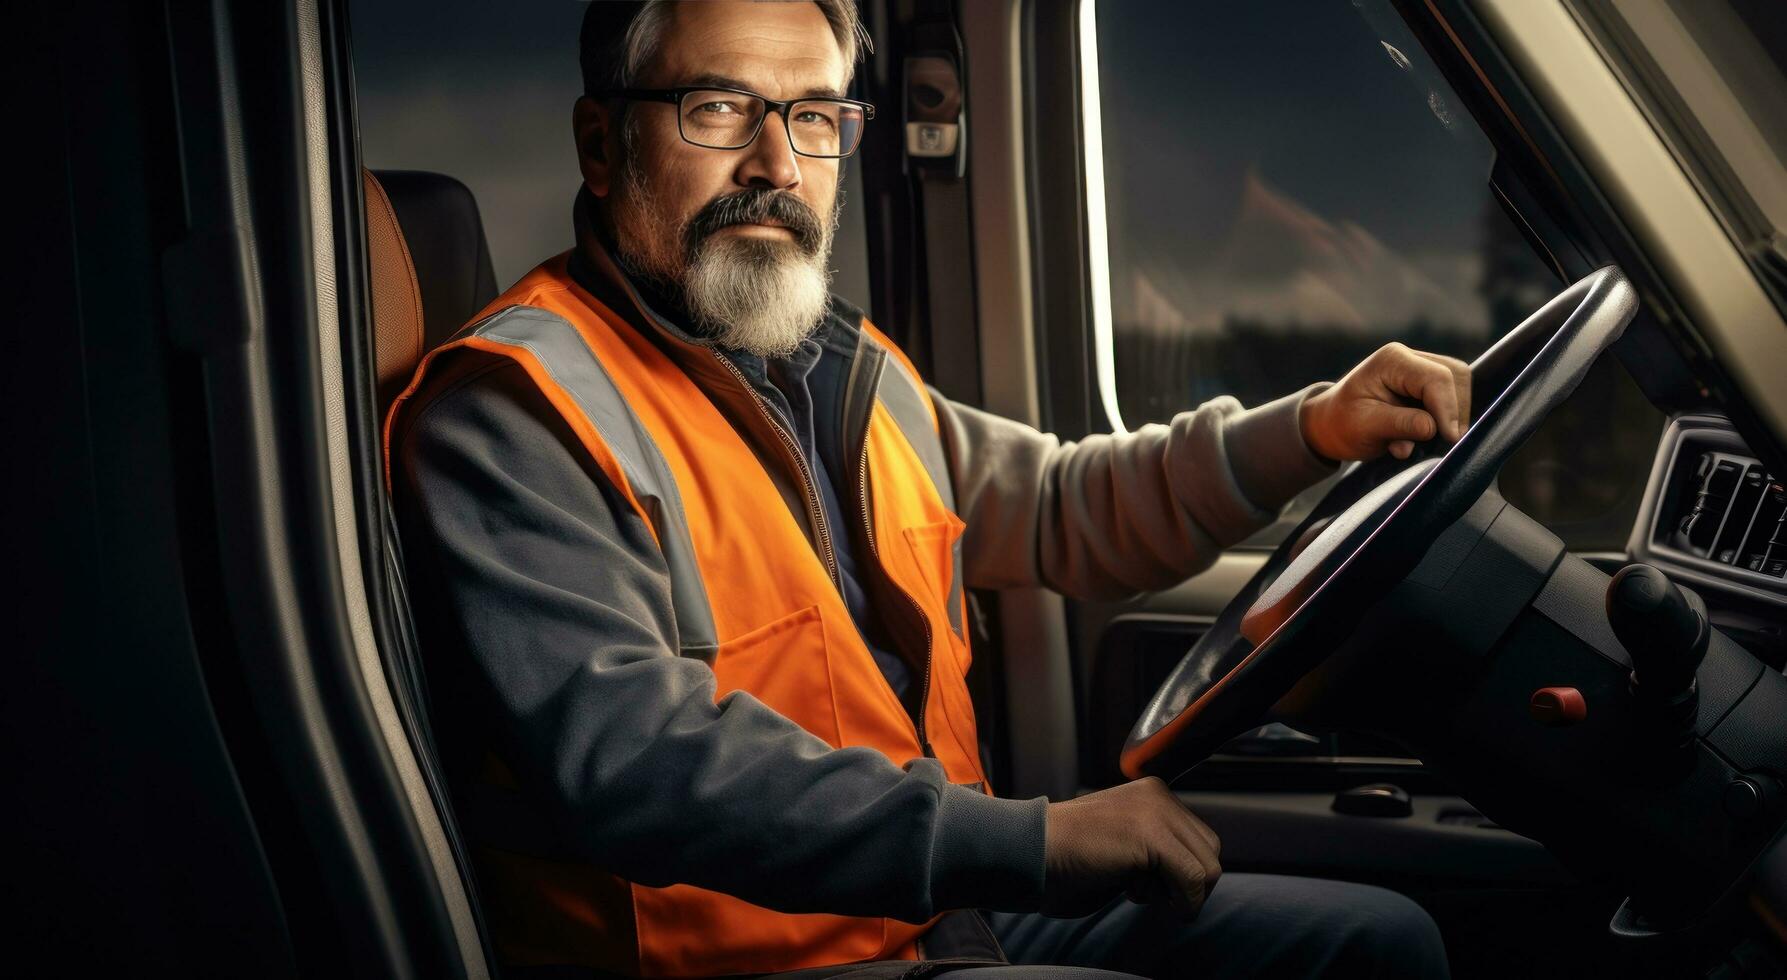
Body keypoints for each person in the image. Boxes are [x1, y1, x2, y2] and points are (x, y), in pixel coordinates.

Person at [387, 2, 1465, 976]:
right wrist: (1031, 839)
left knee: (1375, 943)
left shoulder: (830, 365)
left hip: (926, 915)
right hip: (747, 957)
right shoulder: (515, 411)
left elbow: (1055, 507)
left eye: (813, 115)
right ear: (601, 144)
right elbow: (636, 760)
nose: (775, 161)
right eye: (719, 108)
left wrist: (1314, 427)